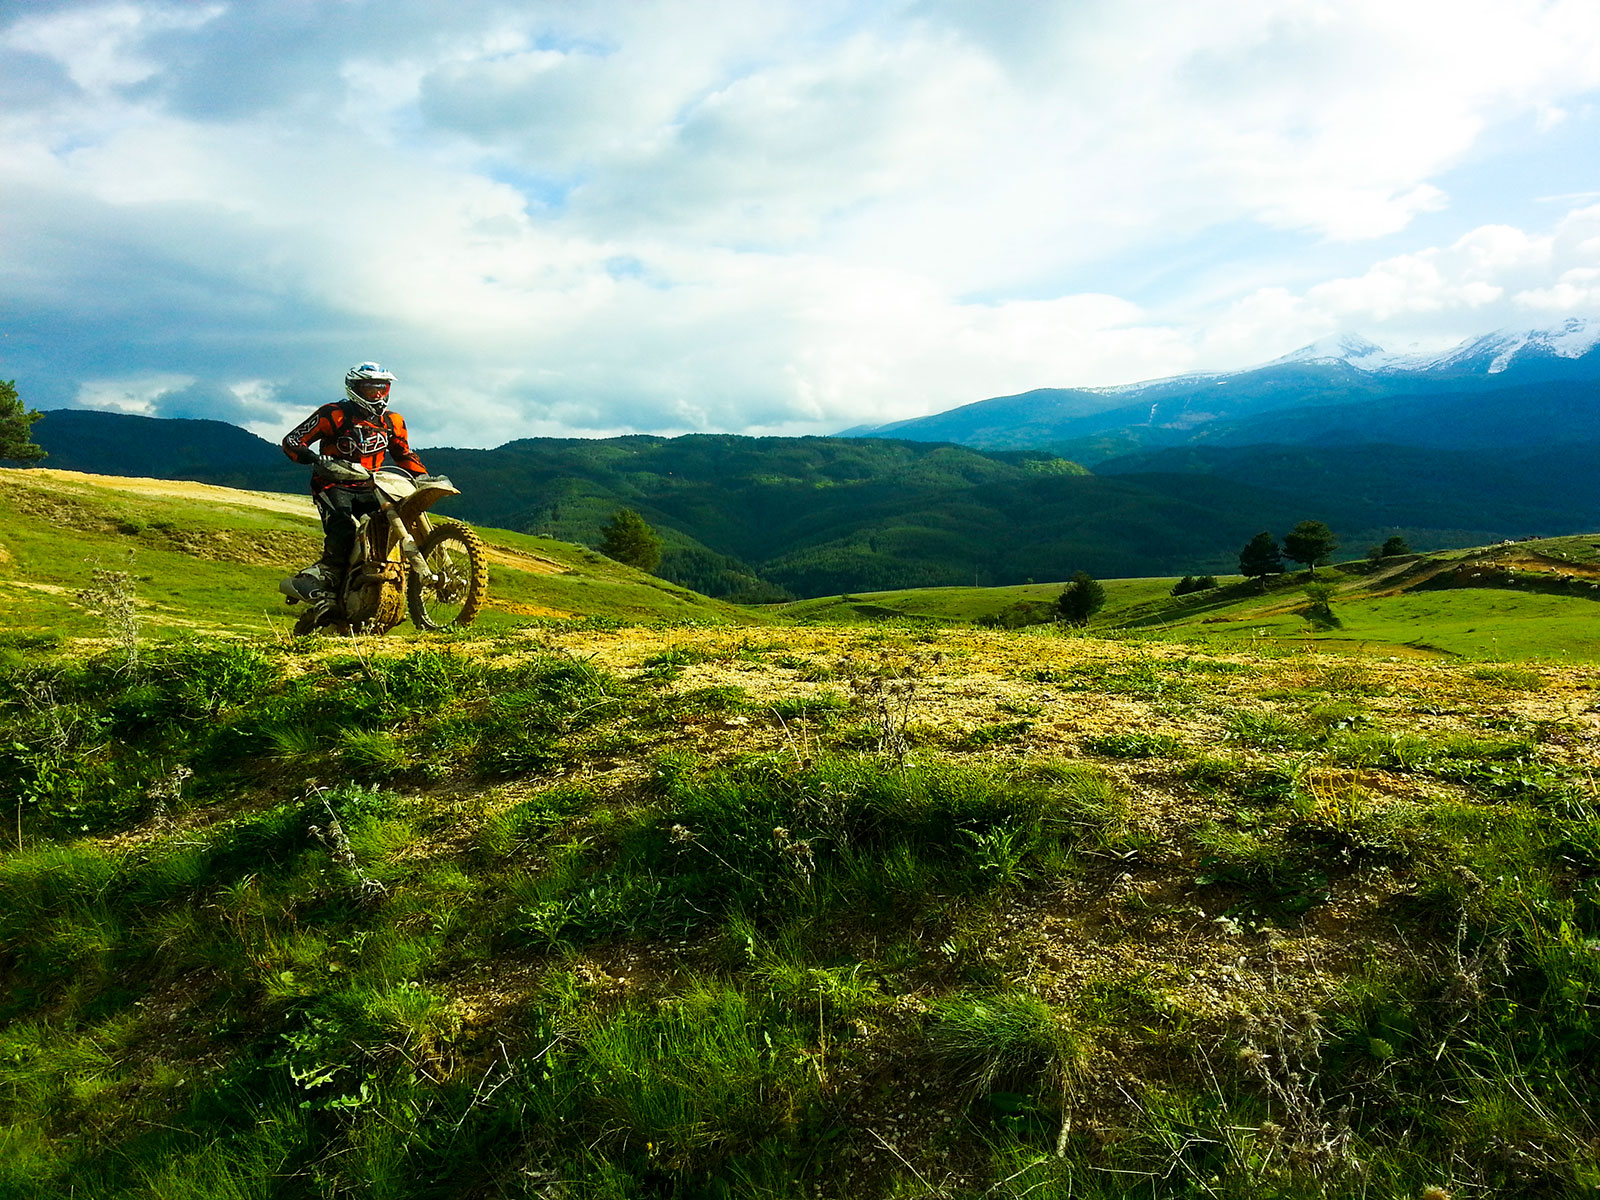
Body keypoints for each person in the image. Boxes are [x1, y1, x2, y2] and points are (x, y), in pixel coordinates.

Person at [279, 362, 429, 601]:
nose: (378, 395)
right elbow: (293, 440)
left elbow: (403, 453)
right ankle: (327, 574)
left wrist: (422, 476)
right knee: (343, 524)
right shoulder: (333, 414)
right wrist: (315, 459)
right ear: (355, 389)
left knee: (391, 523)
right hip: (332, 483)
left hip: (372, 485)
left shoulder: (393, 421)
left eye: (383, 389)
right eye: (371, 389)